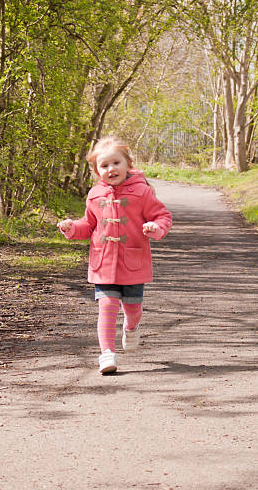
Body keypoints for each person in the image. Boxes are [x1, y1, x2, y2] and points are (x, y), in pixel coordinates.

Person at [57, 138, 172, 374]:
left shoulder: (142, 192)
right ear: (96, 170)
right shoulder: (94, 195)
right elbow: (88, 225)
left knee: (132, 307)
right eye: (104, 165)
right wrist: (71, 228)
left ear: (128, 164)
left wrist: (155, 228)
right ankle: (107, 354)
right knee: (107, 307)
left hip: (133, 263)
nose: (111, 169)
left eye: (116, 163)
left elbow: (163, 216)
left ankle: (131, 327)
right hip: (103, 263)